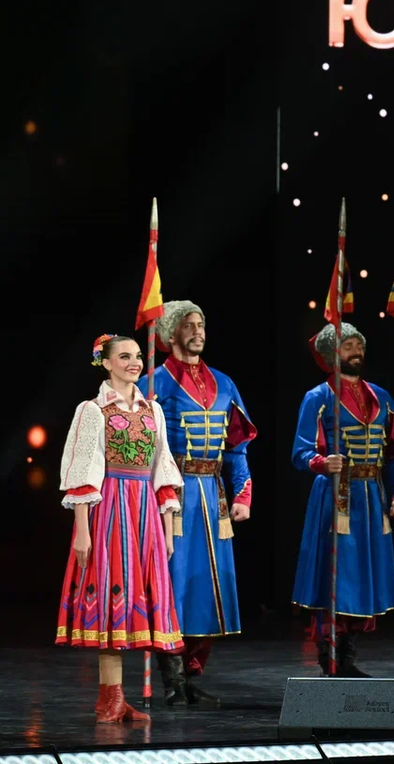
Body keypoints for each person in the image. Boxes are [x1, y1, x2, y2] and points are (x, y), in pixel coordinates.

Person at [57, 334, 184, 723]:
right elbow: (83, 472)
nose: (134, 362)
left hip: (145, 513)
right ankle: (109, 697)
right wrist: (82, 530)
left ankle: (116, 699)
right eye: (124, 356)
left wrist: (167, 529)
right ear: (107, 363)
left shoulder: (153, 410)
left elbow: (163, 469)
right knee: (111, 600)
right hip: (111, 509)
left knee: (136, 602)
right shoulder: (93, 410)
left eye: (137, 356)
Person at [137, 301, 255, 707]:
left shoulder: (224, 383)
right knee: (173, 585)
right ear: (171, 333)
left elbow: (237, 448)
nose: (198, 331)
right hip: (174, 496)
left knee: (208, 587)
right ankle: (171, 677)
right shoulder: (154, 383)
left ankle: (190, 673)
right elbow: (144, 448)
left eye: (201, 323)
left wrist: (243, 493)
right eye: (188, 325)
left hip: (214, 496)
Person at [291, 322, 394, 676]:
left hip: (372, 497)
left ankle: (348, 655)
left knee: (364, 576)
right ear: (332, 354)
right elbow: (300, 452)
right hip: (335, 496)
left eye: (359, 345)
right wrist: (322, 462)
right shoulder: (318, 397)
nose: (356, 352)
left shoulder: (381, 397)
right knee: (335, 576)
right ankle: (330, 655)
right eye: (348, 346)